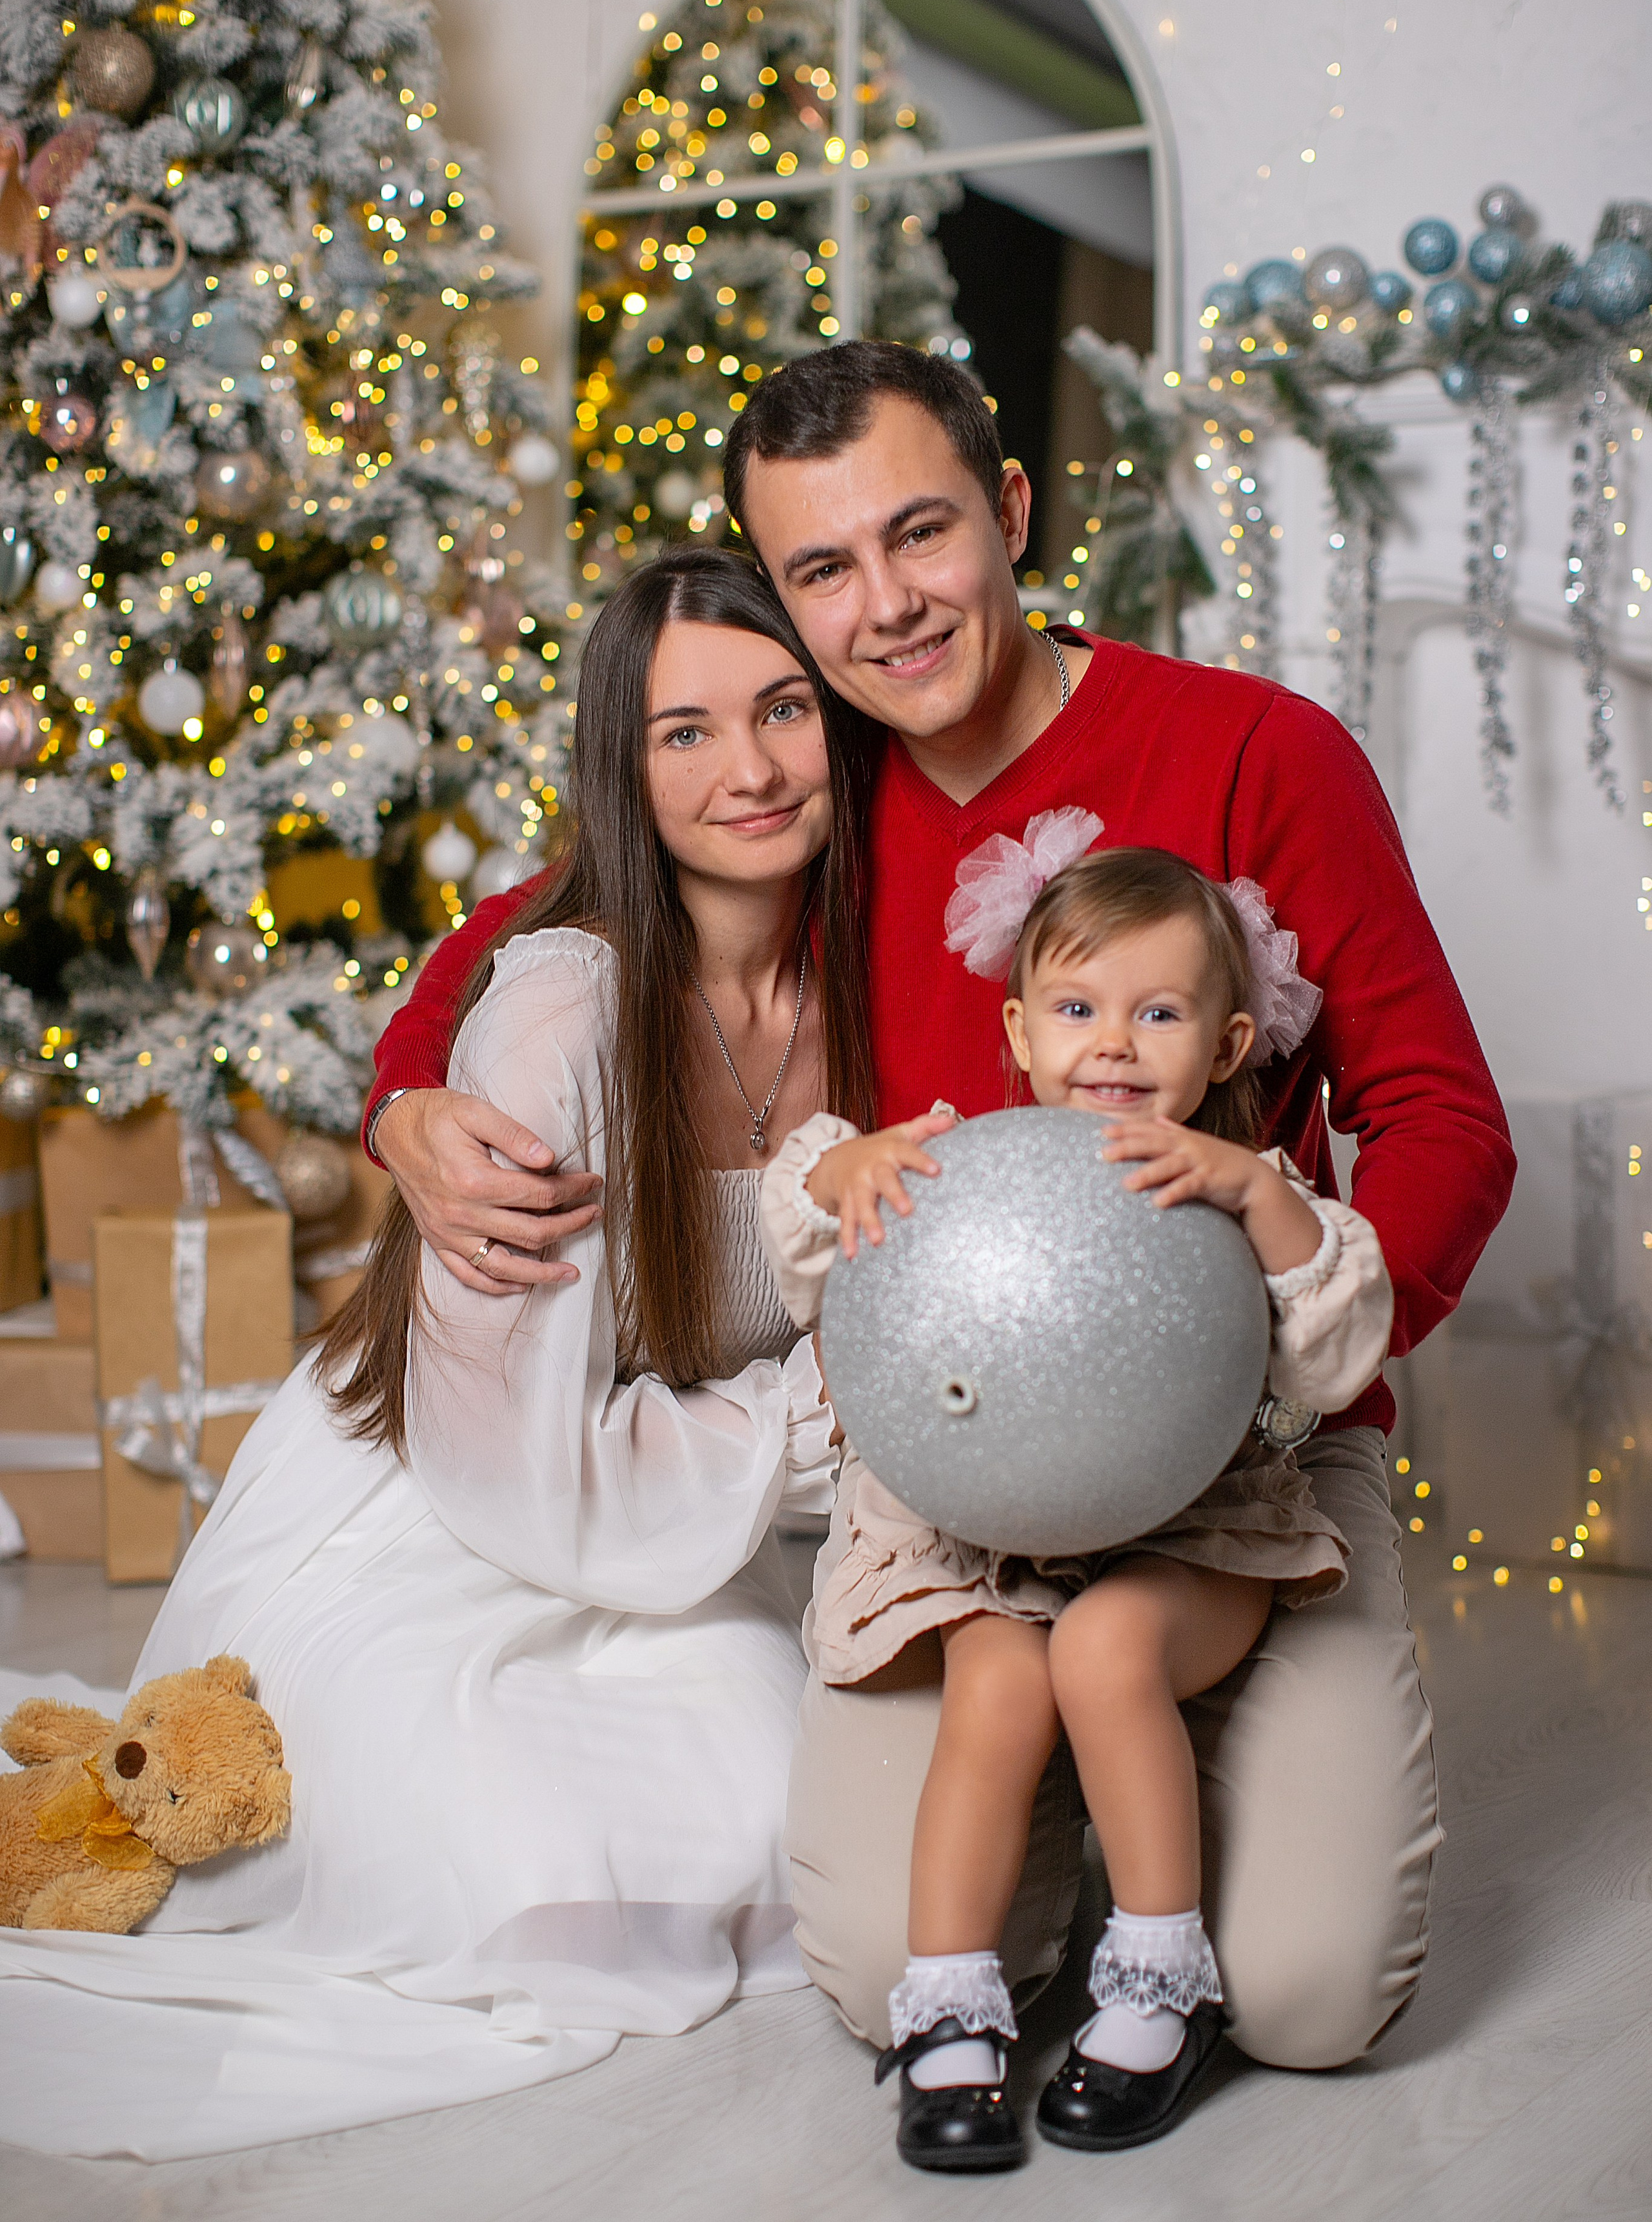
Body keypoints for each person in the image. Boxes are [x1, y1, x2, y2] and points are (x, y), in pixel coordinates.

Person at [366, 341, 1515, 2079]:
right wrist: (404, 1097)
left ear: (1012, 510)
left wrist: (1287, 1362)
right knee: (883, 1967)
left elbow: (1442, 1123)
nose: (887, 606)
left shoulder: (1258, 750)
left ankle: (1183, 1756)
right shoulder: (812, 782)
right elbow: (551, 910)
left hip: (1241, 1453)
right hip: (951, 1484)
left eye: (921, 533)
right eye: (821, 568)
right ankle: (1083, 1760)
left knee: (1306, 1997)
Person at [0, 551, 872, 2161]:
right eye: (683, 732)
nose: (748, 769)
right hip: (447, 1504)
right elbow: (518, 1457)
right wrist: (817, 1414)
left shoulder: (887, 982)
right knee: (524, 1871)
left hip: (674, 1517)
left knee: (767, 1812)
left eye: (783, 710)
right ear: (619, 765)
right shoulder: (563, 1008)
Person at [760, 842, 1393, 2170]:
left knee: (1105, 1649)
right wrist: (845, 1168)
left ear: (1225, 1045)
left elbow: (1333, 1355)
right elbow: (807, 1225)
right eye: (1076, 1006)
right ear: (1019, 1030)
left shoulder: (1238, 1185)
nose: (1112, 1041)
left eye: (1158, 1012)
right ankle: (948, 2011)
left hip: (1193, 1531)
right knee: (995, 1682)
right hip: (992, 1534)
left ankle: (1162, 1977)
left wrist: (1259, 1191)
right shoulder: (966, 1164)